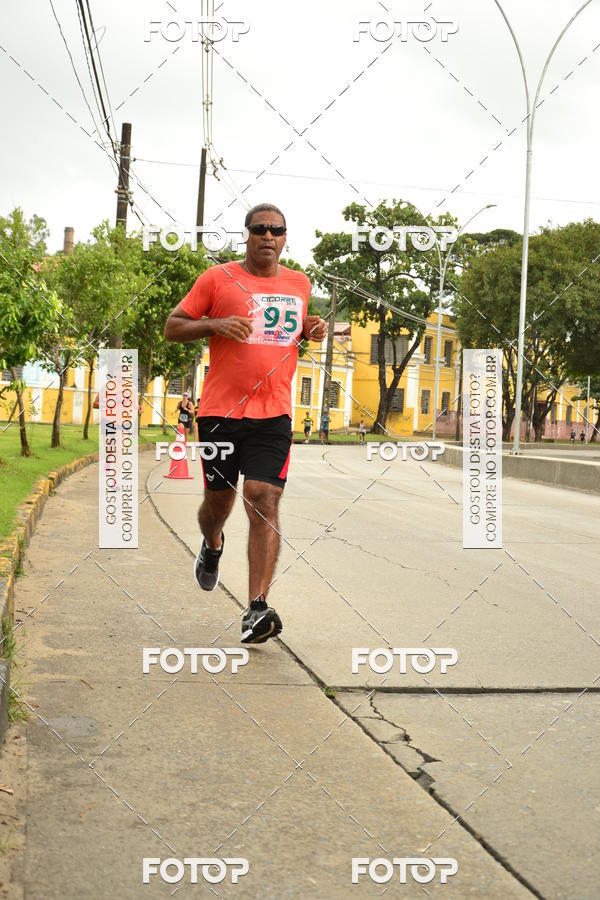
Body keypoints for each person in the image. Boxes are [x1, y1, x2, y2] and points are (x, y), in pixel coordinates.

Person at [164, 203, 327, 644]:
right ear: (247, 235)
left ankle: (256, 608)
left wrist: (311, 329)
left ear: (285, 237)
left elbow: (286, 337)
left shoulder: (299, 283)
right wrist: (215, 323)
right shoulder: (218, 279)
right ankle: (213, 543)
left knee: (263, 497)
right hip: (220, 413)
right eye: (260, 229)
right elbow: (172, 326)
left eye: (276, 230)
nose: (268, 236)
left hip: (274, 413)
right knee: (218, 505)